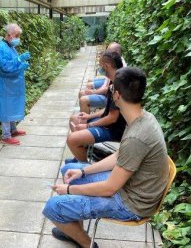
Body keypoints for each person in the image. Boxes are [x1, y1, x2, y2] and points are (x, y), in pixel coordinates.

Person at [43, 67, 170, 248]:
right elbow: (120, 155)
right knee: (69, 171)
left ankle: (87, 244)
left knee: (53, 206)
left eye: (111, 90)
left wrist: (70, 190)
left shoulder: (137, 135)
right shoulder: (143, 117)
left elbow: (109, 188)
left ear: (116, 96)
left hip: (132, 204)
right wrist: (83, 171)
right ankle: (74, 231)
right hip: (132, 186)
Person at [67, 50, 126, 163]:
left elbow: (112, 117)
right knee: (74, 119)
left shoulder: (119, 84)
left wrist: (88, 125)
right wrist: (88, 116)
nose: (100, 68)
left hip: (113, 129)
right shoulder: (114, 81)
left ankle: (83, 167)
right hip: (108, 123)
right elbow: (108, 108)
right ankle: (81, 154)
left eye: (100, 65)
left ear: (107, 65)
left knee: (72, 139)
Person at [0, 23, 31, 145]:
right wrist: (19, 60)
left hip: (12, 84)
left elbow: (13, 64)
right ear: (9, 35)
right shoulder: (1, 47)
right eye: (17, 36)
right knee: (6, 108)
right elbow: (5, 66)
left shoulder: (10, 46)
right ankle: (6, 136)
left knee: (11, 106)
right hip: (6, 84)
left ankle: (13, 130)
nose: (18, 38)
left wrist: (21, 65)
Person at [78, 42, 126, 114]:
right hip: (109, 96)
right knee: (83, 92)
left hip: (109, 99)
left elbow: (112, 115)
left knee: (83, 98)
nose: (107, 52)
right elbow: (107, 85)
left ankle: (87, 111)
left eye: (109, 51)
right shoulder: (113, 71)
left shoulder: (118, 76)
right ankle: (86, 111)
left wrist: (94, 92)